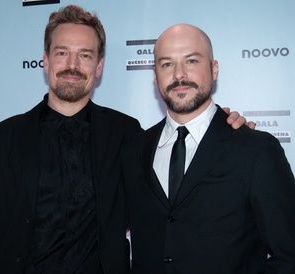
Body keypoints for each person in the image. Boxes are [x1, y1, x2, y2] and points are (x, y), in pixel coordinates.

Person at [0, 6, 248, 273]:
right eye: (62, 53)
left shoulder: (128, 135)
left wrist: (219, 128)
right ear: (46, 61)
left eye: (86, 55)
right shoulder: (1, 140)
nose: (72, 66)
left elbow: (175, 194)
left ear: (99, 66)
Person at [121, 23, 295, 273]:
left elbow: (288, 255)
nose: (179, 75)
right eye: (167, 64)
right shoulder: (133, 151)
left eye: (191, 61)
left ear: (214, 69)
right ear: (155, 74)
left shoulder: (256, 151)